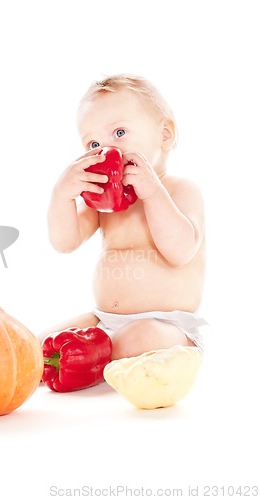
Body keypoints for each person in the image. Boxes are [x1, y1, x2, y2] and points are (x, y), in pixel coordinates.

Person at [39, 74, 206, 360]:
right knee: (42, 343)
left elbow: (180, 251)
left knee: (138, 338)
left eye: (119, 133)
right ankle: (78, 362)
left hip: (166, 326)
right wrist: (62, 195)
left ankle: (91, 361)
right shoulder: (103, 202)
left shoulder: (179, 190)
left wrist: (153, 193)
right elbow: (64, 242)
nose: (106, 151)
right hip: (104, 321)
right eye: (93, 145)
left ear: (165, 134)